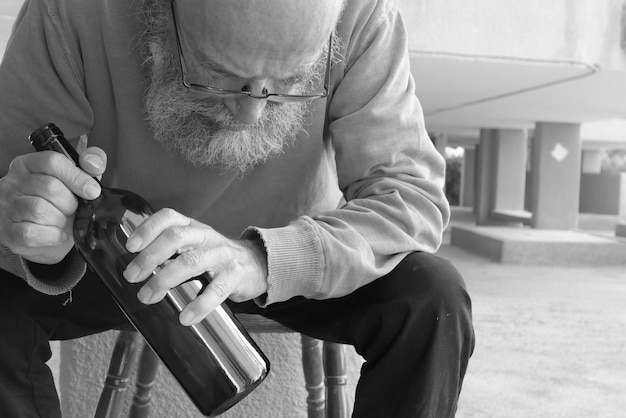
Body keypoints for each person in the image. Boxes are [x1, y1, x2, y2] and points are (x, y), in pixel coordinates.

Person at [0, 0, 475, 416]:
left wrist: (263, 258)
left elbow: (411, 198)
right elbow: (13, 180)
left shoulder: (362, 14)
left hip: (290, 260)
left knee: (433, 297)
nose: (251, 115)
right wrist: (34, 226)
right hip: (127, 262)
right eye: (217, 75)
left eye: (289, 82)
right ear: (159, 23)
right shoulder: (73, 10)